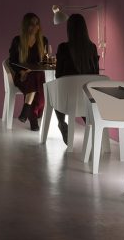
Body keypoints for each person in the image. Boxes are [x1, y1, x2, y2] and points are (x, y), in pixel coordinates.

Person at [54, 13, 101, 144]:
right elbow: (96, 74)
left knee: (54, 89)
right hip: (87, 97)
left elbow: (58, 75)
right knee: (82, 94)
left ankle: (61, 122)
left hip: (67, 98)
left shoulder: (63, 47)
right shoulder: (92, 48)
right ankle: (92, 124)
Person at [8, 13, 49, 131]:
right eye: (32, 24)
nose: (35, 27)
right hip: (22, 76)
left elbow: (44, 61)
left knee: (35, 76)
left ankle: (26, 109)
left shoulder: (43, 40)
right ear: (26, 25)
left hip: (37, 76)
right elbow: (12, 61)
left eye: (37, 24)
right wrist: (21, 72)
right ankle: (33, 120)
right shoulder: (17, 40)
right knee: (34, 81)